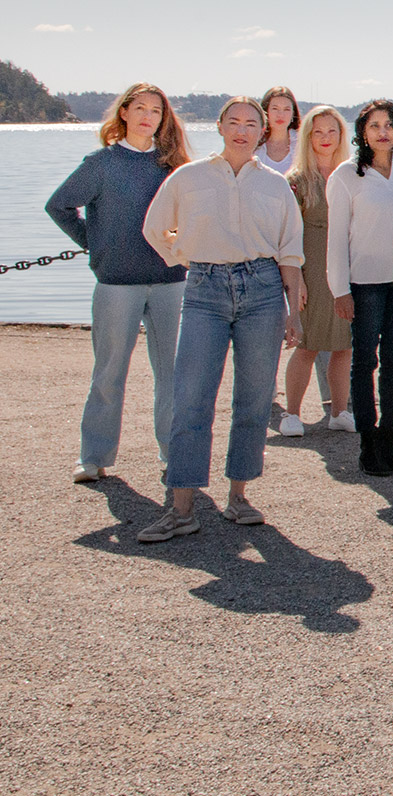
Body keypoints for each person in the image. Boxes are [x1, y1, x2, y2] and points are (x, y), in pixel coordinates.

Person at [135, 96, 304, 543]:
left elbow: (290, 250)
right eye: (234, 122)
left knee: (253, 398)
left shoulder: (275, 185)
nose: (243, 130)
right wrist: (185, 257)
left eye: (252, 123)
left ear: (263, 131)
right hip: (205, 290)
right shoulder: (187, 178)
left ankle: (239, 497)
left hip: (264, 290)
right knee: (191, 398)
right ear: (220, 126)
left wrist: (294, 311)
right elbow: (155, 228)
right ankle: (182, 508)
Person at [47, 83, 191, 484]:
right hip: (116, 285)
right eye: (140, 108)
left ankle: (173, 453)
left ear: (164, 119)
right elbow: (58, 205)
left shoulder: (174, 165)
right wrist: (96, 245)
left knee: (172, 374)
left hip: (170, 282)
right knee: (109, 371)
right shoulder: (101, 164)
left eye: (157, 111)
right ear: (124, 113)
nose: (148, 116)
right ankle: (93, 456)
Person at [326, 100, 393, 476]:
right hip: (362, 285)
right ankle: (368, 445)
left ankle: (391, 441)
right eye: (375, 125)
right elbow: (335, 238)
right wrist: (339, 289)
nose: (383, 131)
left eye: (389, 125)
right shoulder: (346, 176)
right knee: (364, 362)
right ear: (363, 132)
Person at [280, 106, 354, 436]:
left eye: (332, 131)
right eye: (318, 132)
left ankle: (339, 411)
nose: (325, 138)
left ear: (341, 136)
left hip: (347, 269)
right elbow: (286, 237)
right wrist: (296, 282)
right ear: (308, 137)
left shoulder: (352, 175)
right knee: (307, 345)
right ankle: (291, 414)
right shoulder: (295, 182)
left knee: (344, 345)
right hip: (310, 269)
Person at [255, 86, 301, 175]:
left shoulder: (302, 144)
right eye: (275, 108)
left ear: (293, 114)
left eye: (286, 109)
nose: (280, 114)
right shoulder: (253, 144)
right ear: (266, 111)